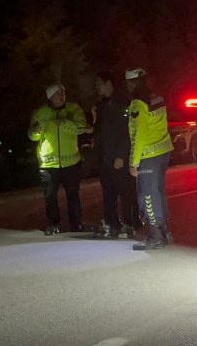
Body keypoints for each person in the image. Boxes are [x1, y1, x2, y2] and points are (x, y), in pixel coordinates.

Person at [125, 68, 175, 250]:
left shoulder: (138, 103)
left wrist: (134, 161)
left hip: (148, 155)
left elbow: (140, 134)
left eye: (128, 83)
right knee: (158, 192)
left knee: (147, 194)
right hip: (163, 151)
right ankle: (164, 233)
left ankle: (155, 236)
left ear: (132, 83)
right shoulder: (157, 98)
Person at [28, 83, 88, 235]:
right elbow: (32, 136)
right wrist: (35, 131)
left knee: (73, 195)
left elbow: (82, 128)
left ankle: (76, 224)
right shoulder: (40, 113)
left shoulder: (73, 109)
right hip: (48, 163)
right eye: (58, 93)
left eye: (63, 92)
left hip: (71, 162)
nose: (62, 95)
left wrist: (65, 123)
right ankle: (53, 224)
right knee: (50, 196)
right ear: (50, 97)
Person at [91, 71, 139, 239]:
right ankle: (112, 223)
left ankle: (129, 224)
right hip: (104, 158)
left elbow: (127, 131)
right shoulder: (101, 106)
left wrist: (121, 155)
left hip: (118, 158)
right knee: (108, 193)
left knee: (125, 192)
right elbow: (99, 133)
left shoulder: (123, 103)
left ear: (109, 83)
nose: (97, 87)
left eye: (99, 83)